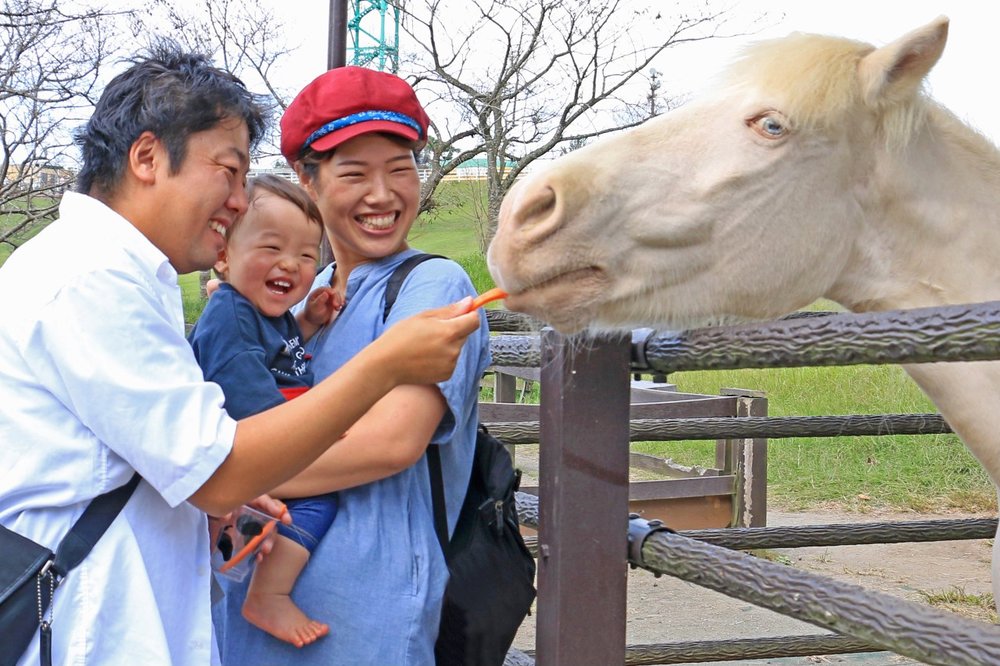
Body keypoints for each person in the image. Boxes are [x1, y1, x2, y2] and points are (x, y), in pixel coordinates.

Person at [0, 46, 480, 666]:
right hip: (97, 622)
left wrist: (218, 483)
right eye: (227, 172)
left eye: (401, 168)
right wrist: (383, 364)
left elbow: (168, 455)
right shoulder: (91, 280)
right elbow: (220, 468)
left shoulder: (121, 276)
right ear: (146, 156)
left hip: (346, 609)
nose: (238, 198)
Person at [214, 67, 492, 665]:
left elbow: (389, 444)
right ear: (307, 181)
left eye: (400, 169)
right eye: (355, 173)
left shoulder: (434, 285)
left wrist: (221, 470)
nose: (383, 195)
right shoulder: (300, 296)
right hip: (244, 594)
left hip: (364, 611)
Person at [189, 174, 343, 648]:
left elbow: (271, 353)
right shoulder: (231, 313)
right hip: (256, 439)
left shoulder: (260, 311)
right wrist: (300, 439)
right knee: (318, 500)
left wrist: (307, 322)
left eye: (305, 255)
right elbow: (247, 391)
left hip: (267, 432)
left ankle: (244, 549)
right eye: (272, 248)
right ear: (223, 256)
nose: (290, 265)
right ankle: (268, 593)